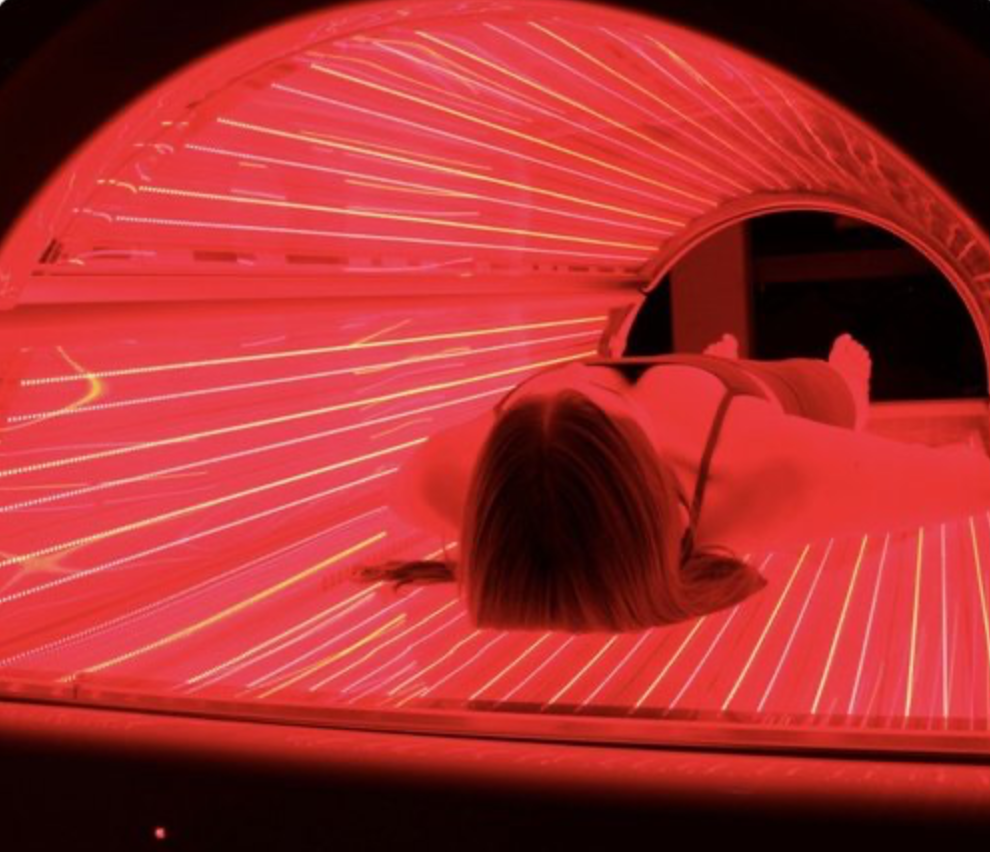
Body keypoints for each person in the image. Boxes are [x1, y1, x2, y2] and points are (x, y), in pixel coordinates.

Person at [352, 333, 990, 633]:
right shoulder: (760, 473)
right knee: (837, 398)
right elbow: (963, 482)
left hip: (675, 440)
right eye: (605, 405)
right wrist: (848, 396)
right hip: (753, 411)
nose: (576, 378)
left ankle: (711, 364)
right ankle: (812, 383)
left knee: (670, 389)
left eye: (518, 415)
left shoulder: (437, 479)